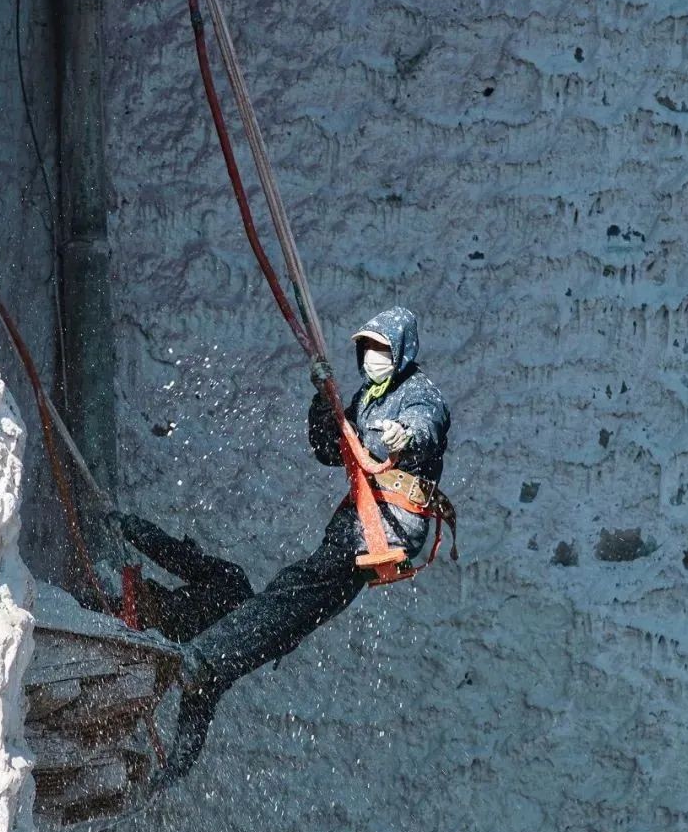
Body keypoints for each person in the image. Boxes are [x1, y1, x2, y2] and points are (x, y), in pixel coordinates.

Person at [119, 306, 451, 783]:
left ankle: (205, 661)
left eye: (380, 349)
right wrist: (324, 399)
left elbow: (426, 423)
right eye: (366, 349)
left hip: (388, 523)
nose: (371, 357)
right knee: (300, 603)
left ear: (400, 350)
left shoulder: (417, 395)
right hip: (361, 520)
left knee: (300, 592)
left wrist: (406, 432)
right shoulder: (366, 398)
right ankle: (197, 692)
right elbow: (324, 445)